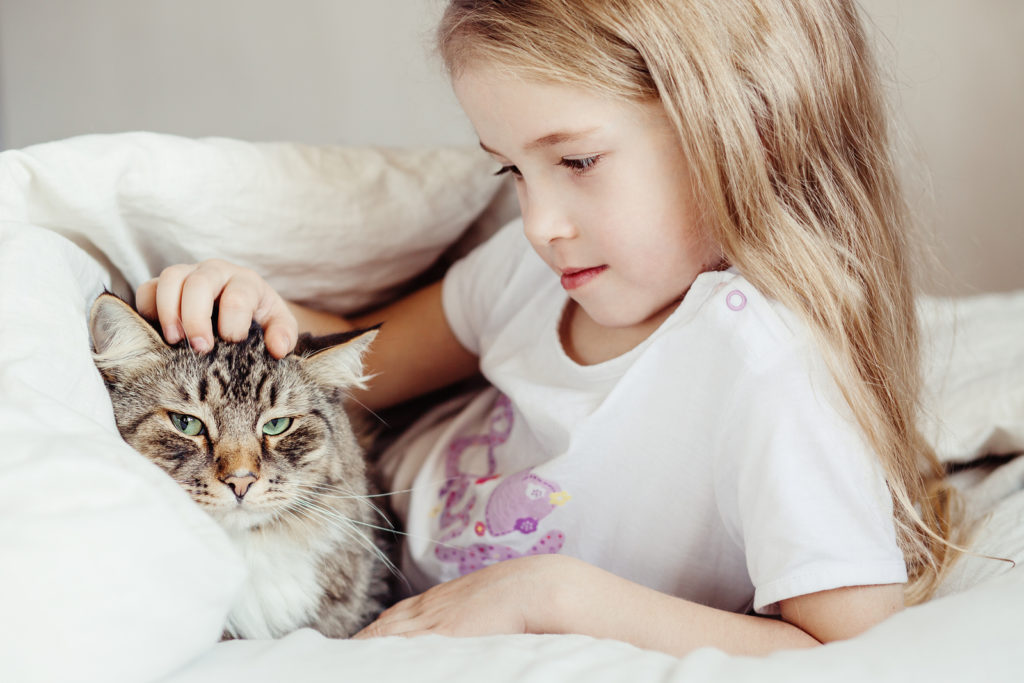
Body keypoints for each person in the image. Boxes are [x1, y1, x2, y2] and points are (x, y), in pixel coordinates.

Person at [136, 0, 960, 657]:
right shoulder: (534, 272)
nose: (538, 223)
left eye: (576, 161)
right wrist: (246, 302)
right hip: (365, 539)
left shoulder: (770, 368)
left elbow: (853, 649)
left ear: (749, 129)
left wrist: (547, 594)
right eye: (512, 169)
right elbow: (359, 353)